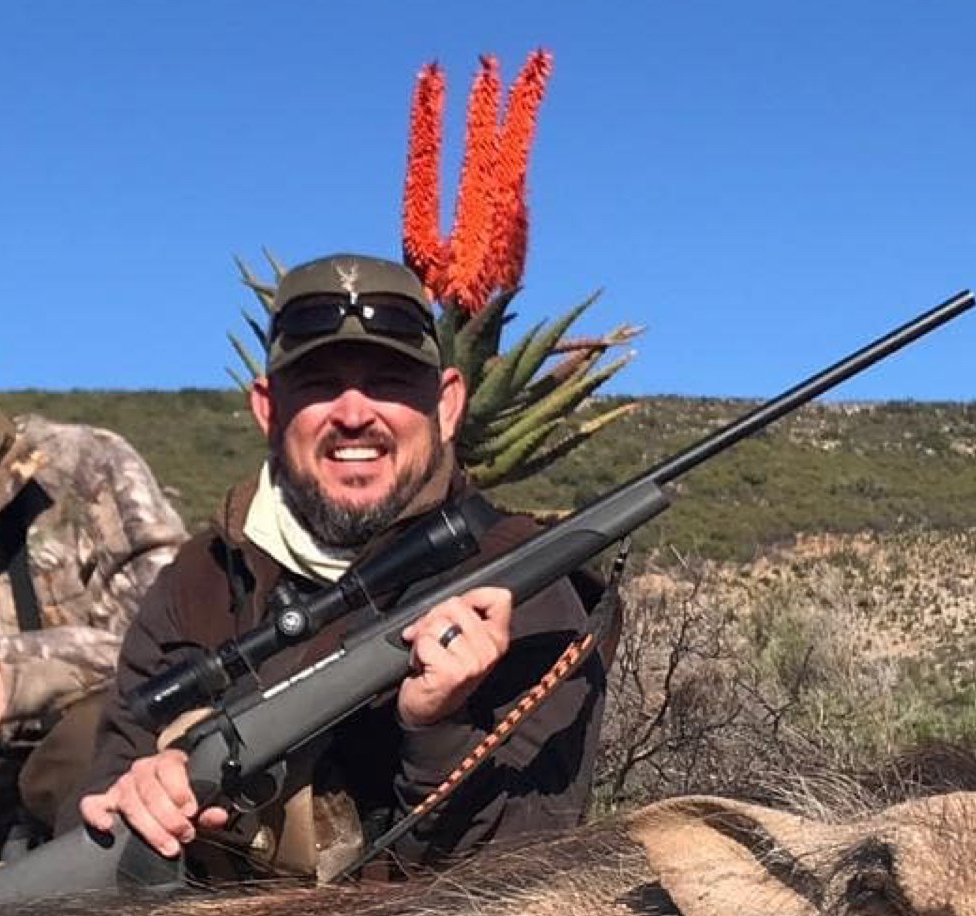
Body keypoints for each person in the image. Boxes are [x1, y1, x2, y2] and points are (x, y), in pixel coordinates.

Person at [79, 253, 612, 880]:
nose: (355, 413)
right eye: (318, 384)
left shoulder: (528, 589)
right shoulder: (199, 576)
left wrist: (438, 731)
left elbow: (512, 890)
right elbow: (101, 797)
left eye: (389, 380)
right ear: (267, 408)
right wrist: (139, 802)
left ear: (446, 404)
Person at [0, 406, 189, 855]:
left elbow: (170, 649)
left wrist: (7, 676)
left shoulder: (84, 467)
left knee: (90, 740)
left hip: (65, 789)